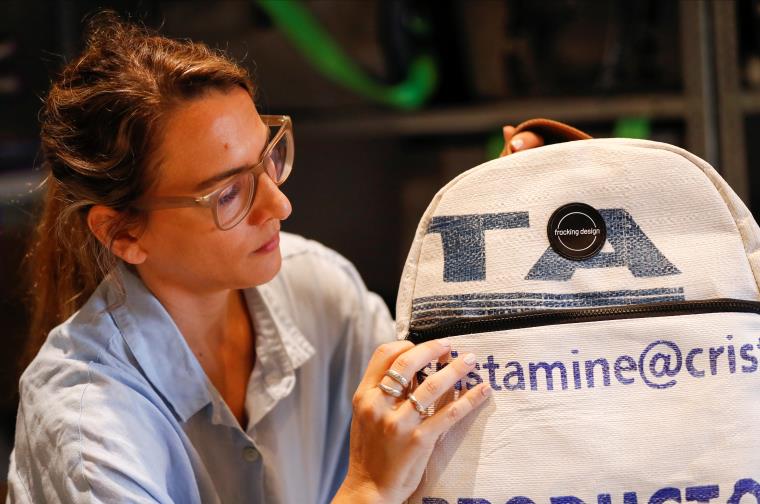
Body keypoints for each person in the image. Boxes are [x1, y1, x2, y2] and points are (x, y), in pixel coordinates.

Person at [5, 12, 542, 504]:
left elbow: (445, 427)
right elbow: (384, 480)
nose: (279, 204)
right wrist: (368, 489)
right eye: (228, 194)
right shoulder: (85, 427)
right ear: (122, 233)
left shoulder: (322, 289)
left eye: (269, 157)